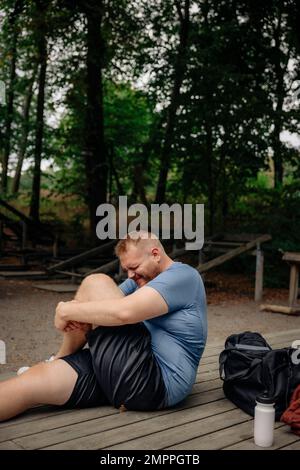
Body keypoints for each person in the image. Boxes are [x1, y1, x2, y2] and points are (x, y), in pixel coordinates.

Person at [0, 231, 207, 422]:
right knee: (30, 383)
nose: (130, 276)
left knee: (96, 281)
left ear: (155, 254)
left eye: (134, 268)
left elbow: (123, 312)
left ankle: (60, 357)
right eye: (126, 270)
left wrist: (65, 311)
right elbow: (99, 309)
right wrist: (79, 309)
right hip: (125, 371)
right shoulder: (141, 281)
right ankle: (56, 362)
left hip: (156, 382)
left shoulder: (184, 276)